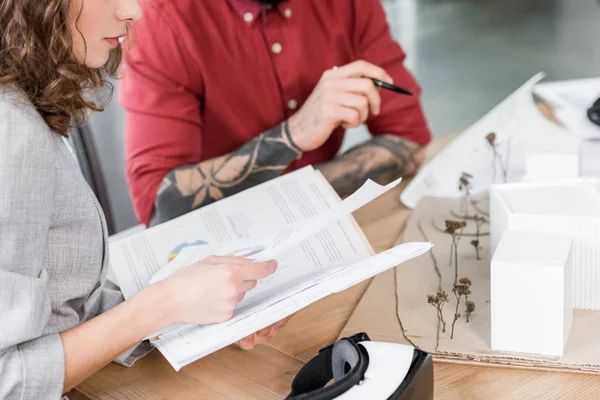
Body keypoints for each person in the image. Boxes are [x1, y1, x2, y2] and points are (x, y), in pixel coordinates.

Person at [0, 0, 288, 398]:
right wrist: (162, 304)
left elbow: (65, 308)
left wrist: (190, 310)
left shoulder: (22, 105)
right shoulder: (10, 129)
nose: (133, 10)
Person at [121, 0, 432, 227]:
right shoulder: (161, 22)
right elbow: (158, 207)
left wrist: (295, 197)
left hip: (325, 228)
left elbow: (409, 138)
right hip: (219, 252)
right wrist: (293, 134)